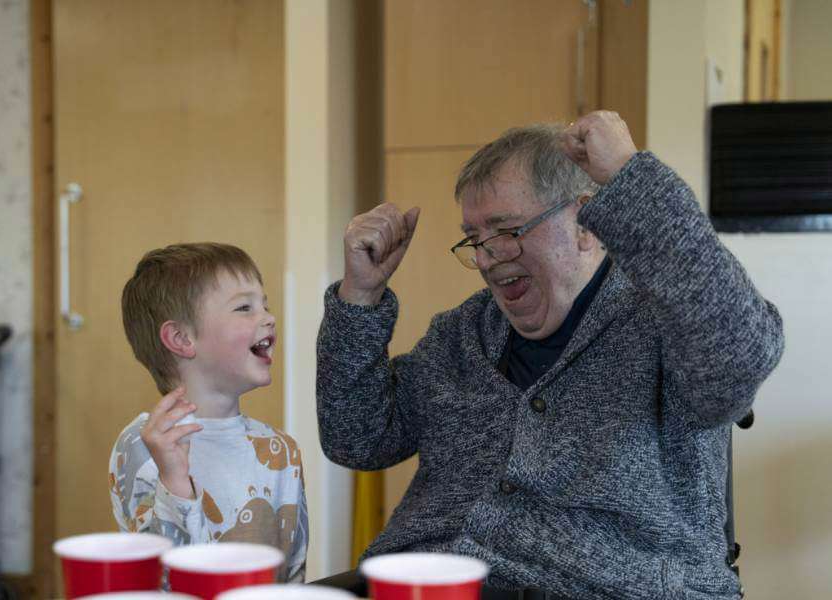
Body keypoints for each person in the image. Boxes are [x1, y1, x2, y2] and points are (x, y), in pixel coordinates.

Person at [315, 112, 783, 598]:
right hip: (423, 581)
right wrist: (360, 296)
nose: (486, 257)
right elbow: (357, 439)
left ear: (586, 222)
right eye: (475, 239)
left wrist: (631, 177)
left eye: (507, 230)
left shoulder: (664, 324)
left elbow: (743, 352)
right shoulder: (462, 334)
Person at [109, 242, 308, 582]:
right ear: (182, 338)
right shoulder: (145, 444)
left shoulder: (280, 450)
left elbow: (291, 576)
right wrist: (174, 481)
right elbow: (158, 580)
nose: (269, 318)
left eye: (265, 305)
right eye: (245, 307)